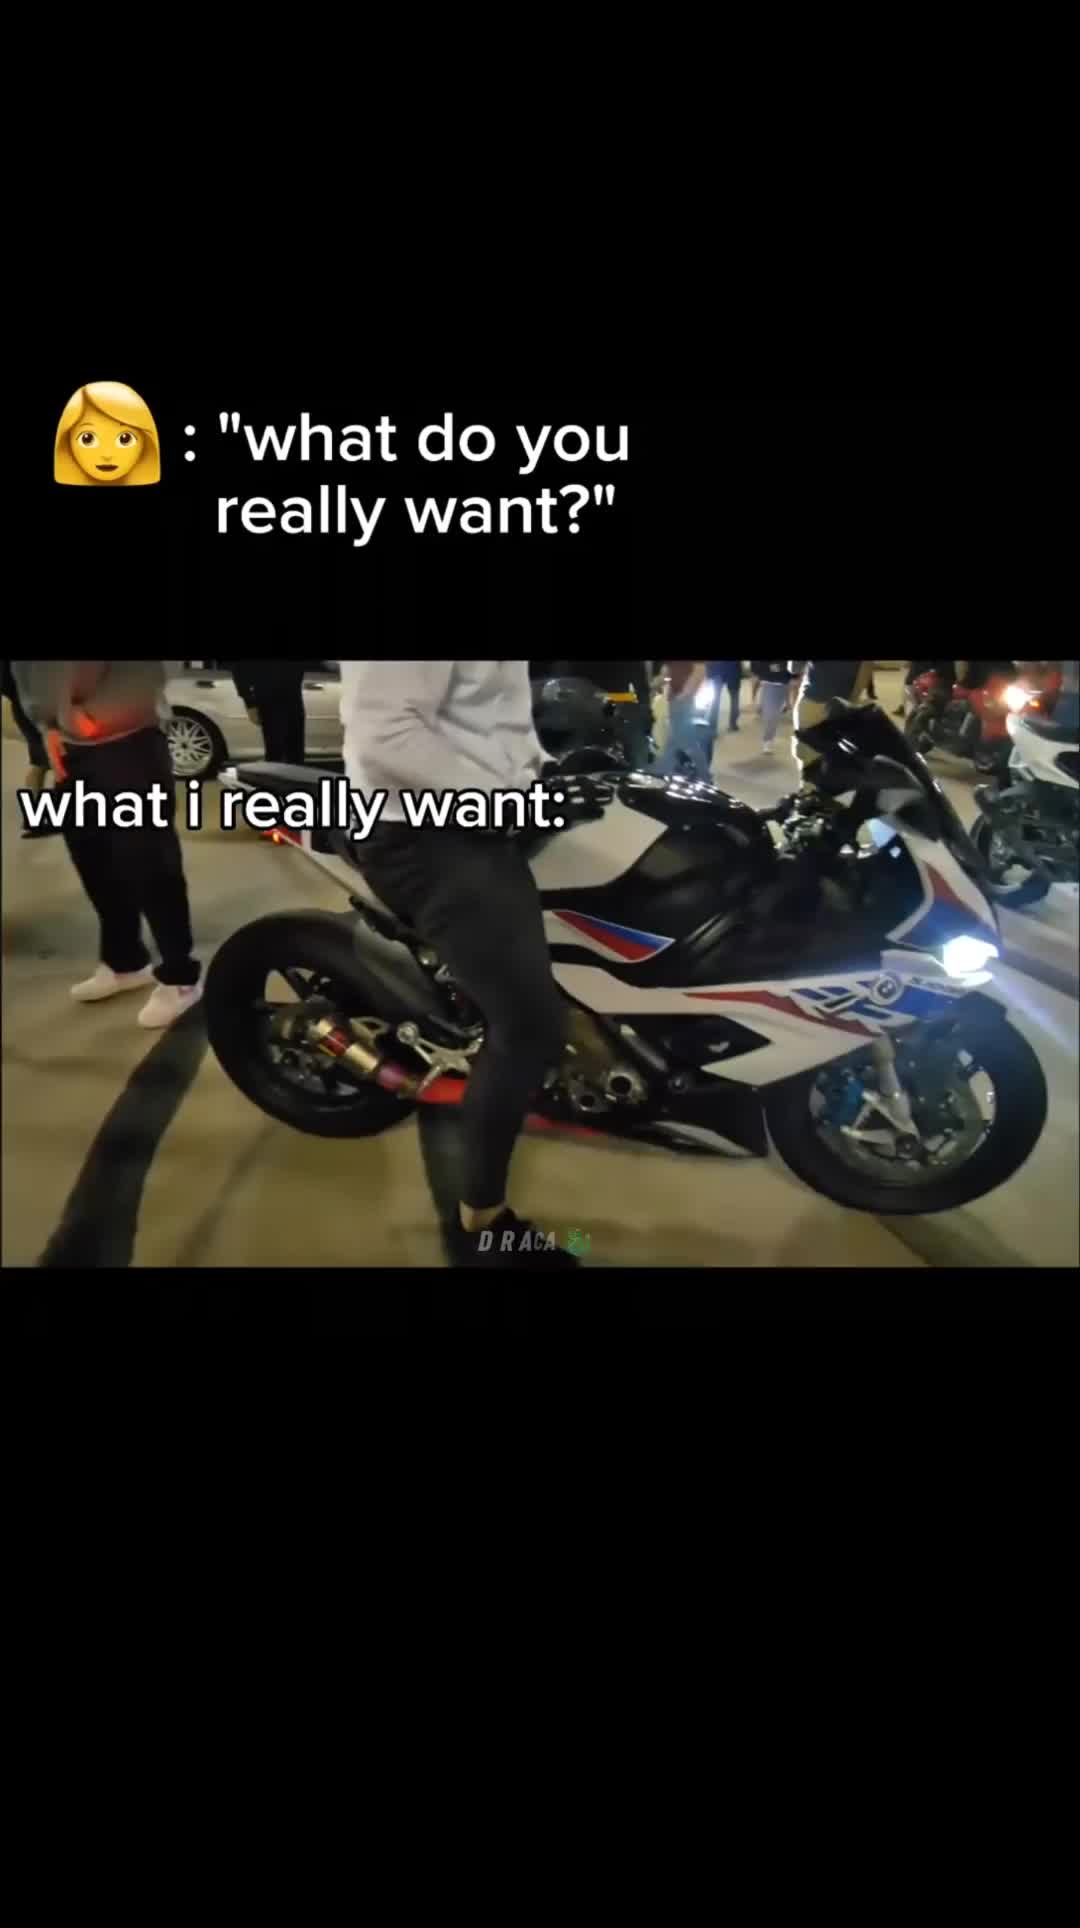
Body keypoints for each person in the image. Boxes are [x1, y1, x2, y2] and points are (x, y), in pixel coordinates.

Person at [341, 660, 613, 1271]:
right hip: (426, 832)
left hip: (474, 810)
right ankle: (482, 1222)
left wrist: (544, 768)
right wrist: (507, 801)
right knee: (529, 1028)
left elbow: (488, 711)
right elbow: (384, 734)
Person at [10, 662, 202, 1027]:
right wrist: (48, 727)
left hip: (127, 740)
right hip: (69, 743)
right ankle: (125, 962)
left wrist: (70, 713)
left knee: (149, 864)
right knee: (94, 860)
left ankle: (180, 977)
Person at [788, 661, 874, 778]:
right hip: (842, 703)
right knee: (837, 752)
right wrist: (853, 698)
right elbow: (867, 666)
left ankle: (812, 786)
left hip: (814, 700)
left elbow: (794, 668)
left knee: (809, 752)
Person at [3, 660, 58, 838]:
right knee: (50, 762)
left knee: (42, 762)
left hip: (27, 709)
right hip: (38, 710)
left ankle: (38, 818)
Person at [230, 660, 308, 765]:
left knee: (295, 752)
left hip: (293, 698)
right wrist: (250, 703)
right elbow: (239, 669)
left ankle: (292, 770)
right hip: (269, 698)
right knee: (275, 751)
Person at [655, 661, 710, 778]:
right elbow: (667, 670)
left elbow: (699, 671)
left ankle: (704, 776)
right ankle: (663, 770)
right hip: (675, 698)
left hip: (682, 701)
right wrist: (661, 682)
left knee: (685, 742)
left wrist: (685, 694)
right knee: (676, 741)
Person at [749, 660, 795, 753]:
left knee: (774, 715)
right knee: (772, 716)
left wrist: (788, 701)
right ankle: (768, 740)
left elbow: (792, 677)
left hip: (783, 686)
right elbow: (756, 672)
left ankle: (764, 706)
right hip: (769, 685)